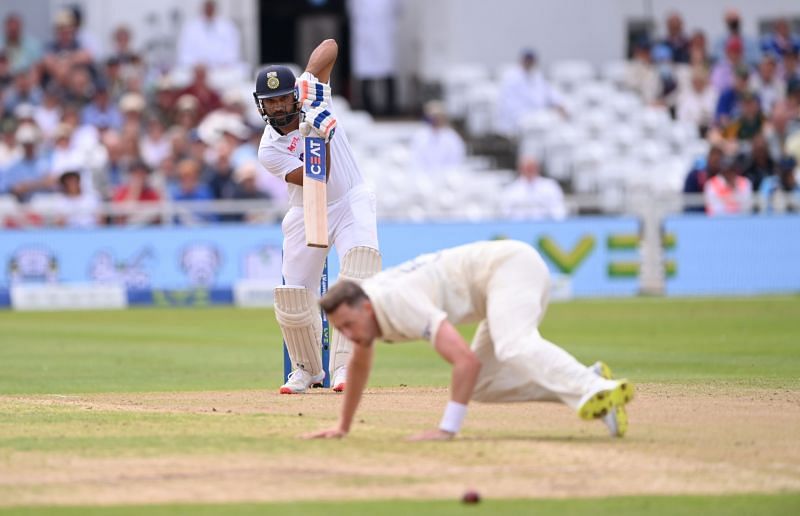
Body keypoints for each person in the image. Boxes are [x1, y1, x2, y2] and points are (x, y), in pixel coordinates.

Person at [306, 240, 634, 442]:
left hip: (510, 268)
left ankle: (594, 390)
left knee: (513, 344)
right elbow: (359, 365)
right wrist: (343, 426)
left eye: (348, 325)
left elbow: (465, 360)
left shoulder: (397, 302)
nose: (348, 335)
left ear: (364, 307)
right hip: (492, 289)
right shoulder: (365, 312)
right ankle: (590, 382)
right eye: (340, 329)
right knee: (482, 385)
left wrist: (448, 429)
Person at [254, 39, 381, 394]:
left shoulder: (312, 98)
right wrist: (319, 135)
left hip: (350, 198)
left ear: (294, 95)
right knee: (293, 294)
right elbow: (316, 178)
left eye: (283, 98)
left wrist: (310, 77)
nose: (279, 106)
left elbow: (331, 45)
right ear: (262, 105)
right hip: (307, 206)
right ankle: (306, 370)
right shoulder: (269, 149)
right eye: (271, 101)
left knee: (360, 270)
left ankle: (343, 368)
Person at [347, 0, 400, 116]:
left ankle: (390, 106)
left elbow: (398, 8)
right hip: (365, 33)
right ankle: (367, 106)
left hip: (385, 31)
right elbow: (352, 9)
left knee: (387, 71)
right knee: (366, 73)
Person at [497, 49, 566, 136]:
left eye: (531, 61)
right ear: (522, 60)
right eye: (527, 60)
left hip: (537, 119)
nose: (529, 63)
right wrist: (528, 118)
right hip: (518, 121)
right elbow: (509, 105)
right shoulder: (511, 77)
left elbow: (550, 93)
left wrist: (559, 105)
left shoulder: (537, 76)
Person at [176, 0, 241, 68]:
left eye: (211, 8)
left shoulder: (228, 27)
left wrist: (218, 64)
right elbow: (184, 55)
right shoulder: (190, 28)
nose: (209, 10)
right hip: (197, 69)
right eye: (207, 8)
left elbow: (232, 54)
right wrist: (198, 65)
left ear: (215, 9)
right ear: (202, 9)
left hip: (221, 70)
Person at [501, 156, 567, 220]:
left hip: (545, 227)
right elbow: (505, 213)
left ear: (538, 168)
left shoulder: (550, 186)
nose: (529, 170)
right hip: (517, 227)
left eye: (532, 167)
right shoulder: (510, 190)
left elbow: (559, 211)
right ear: (520, 169)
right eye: (527, 168)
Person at [409, 100, 466, 173]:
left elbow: (456, 159)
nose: (436, 119)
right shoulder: (420, 135)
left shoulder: (451, 136)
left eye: (438, 116)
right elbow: (415, 158)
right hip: (424, 177)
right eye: (433, 116)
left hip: (447, 177)